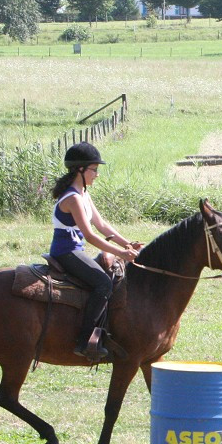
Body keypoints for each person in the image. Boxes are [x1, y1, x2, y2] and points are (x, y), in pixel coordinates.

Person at [49, 142, 140, 362]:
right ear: (80, 170)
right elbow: (90, 235)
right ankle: (84, 340)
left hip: (76, 251)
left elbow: (102, 225)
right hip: (66, 253)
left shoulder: (84, 194)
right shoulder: (72, 198)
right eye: (94, 169)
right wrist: (121, 252)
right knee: (103, 283)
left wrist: (128, 243)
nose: (97, 175)